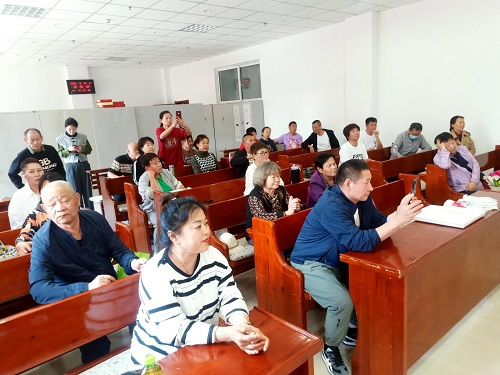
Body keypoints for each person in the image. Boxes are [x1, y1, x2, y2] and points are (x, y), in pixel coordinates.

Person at [290, 159, 423, 375]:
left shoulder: (362, 198)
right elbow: (358, 241)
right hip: (312, 263)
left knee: (374, 282)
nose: (371, 187)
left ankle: (351, 330)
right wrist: (397, 221)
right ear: (349, 183)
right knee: (341, 302)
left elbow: (377, 222)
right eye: (367, 182)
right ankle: (330, 348)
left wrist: (399, 214)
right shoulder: (331, 204)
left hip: (340, 259)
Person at [130, 194, 269, 369]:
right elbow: (176, 329)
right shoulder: (155, 272)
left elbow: (229, 295)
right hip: (161, 358)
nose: (206, 231)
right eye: (197, 227)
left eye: (205, 223)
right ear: (174, 237)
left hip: (202, 346)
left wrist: (242, 327)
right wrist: (227, 334)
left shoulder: (213, 256)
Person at [29, 181, 146, 364]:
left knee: (143, 314)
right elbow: (39, 288)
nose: (60, 208)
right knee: (97, 351)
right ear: (45, 209)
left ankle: (142, 358)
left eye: (65, 200)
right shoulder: (43, 240)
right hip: (78, 302)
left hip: (110, 290)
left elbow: (119, 251)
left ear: (77, 199)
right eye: (52, 204)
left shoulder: (94, 219)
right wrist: (87, 287)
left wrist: (133, 262)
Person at [138, 153, 185, 251]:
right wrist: (152, 177)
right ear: (148, 167)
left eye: (159, 161)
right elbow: (153, 196)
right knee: (160, 223)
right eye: (155, 163)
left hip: (172, 205)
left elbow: (178, 184)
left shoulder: (165, 172)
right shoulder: (143, 179)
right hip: (154, 209)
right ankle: (158, 251)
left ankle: (180, 247)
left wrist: (181, 189)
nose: (159, 164)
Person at [15, 172, 65, 255]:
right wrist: (20, 243)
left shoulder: (71, 208)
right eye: (46, 189)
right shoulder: (35, 215)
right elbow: (24, 235)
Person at [246, 161, 300, 232]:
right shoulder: (254, 195)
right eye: (273, 177)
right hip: (259, 230)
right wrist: (286, 213)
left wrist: (295, 206)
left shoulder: (281, 189)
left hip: (280, 225)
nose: (277, 180)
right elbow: (261, 216)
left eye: (278, 176)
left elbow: (289, 205)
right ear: (263, 178)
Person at [56, 117, 93, 208]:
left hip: (84, 164)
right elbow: (60, 153)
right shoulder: (60, 139)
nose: (72, 131)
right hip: (71, 166)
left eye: (74, 129)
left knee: (87, 189)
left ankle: (90, 210)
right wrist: (68, 150)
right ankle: (78, 210)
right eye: (69, 129)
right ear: (65, 128)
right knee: (75, 189)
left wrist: (82, 149)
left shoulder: (83, 137)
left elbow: (89, 149)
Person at [8, 158, 44, 229]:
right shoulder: (18, 197)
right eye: (31, 172)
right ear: (23, 175)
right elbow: (17, 228)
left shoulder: (52, 189)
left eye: (39, 170)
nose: (37, 174)